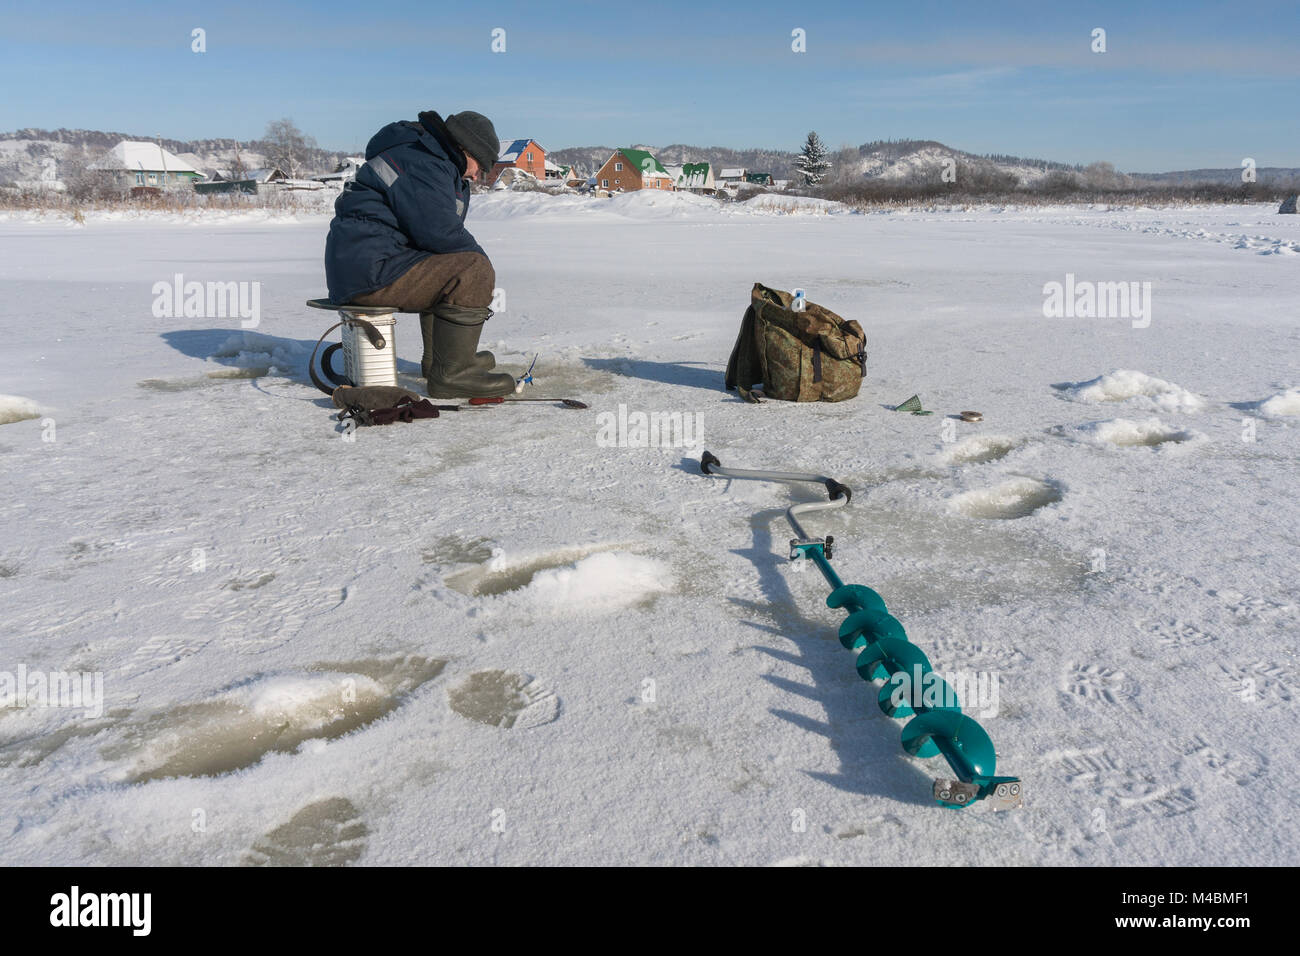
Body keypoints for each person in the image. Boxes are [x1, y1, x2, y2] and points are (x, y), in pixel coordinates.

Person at [324, 110, 516, 398]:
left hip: (365, 266)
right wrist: (481, 266)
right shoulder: (424, 162)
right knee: (472, 269)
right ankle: (453, 374)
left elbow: (435, 241)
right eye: (481, 164)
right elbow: (439, 233)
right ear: (465, 147)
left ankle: (441, 362)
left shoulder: (427, 157)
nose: (479, 175)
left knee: (448, 265)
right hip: (370, 271)